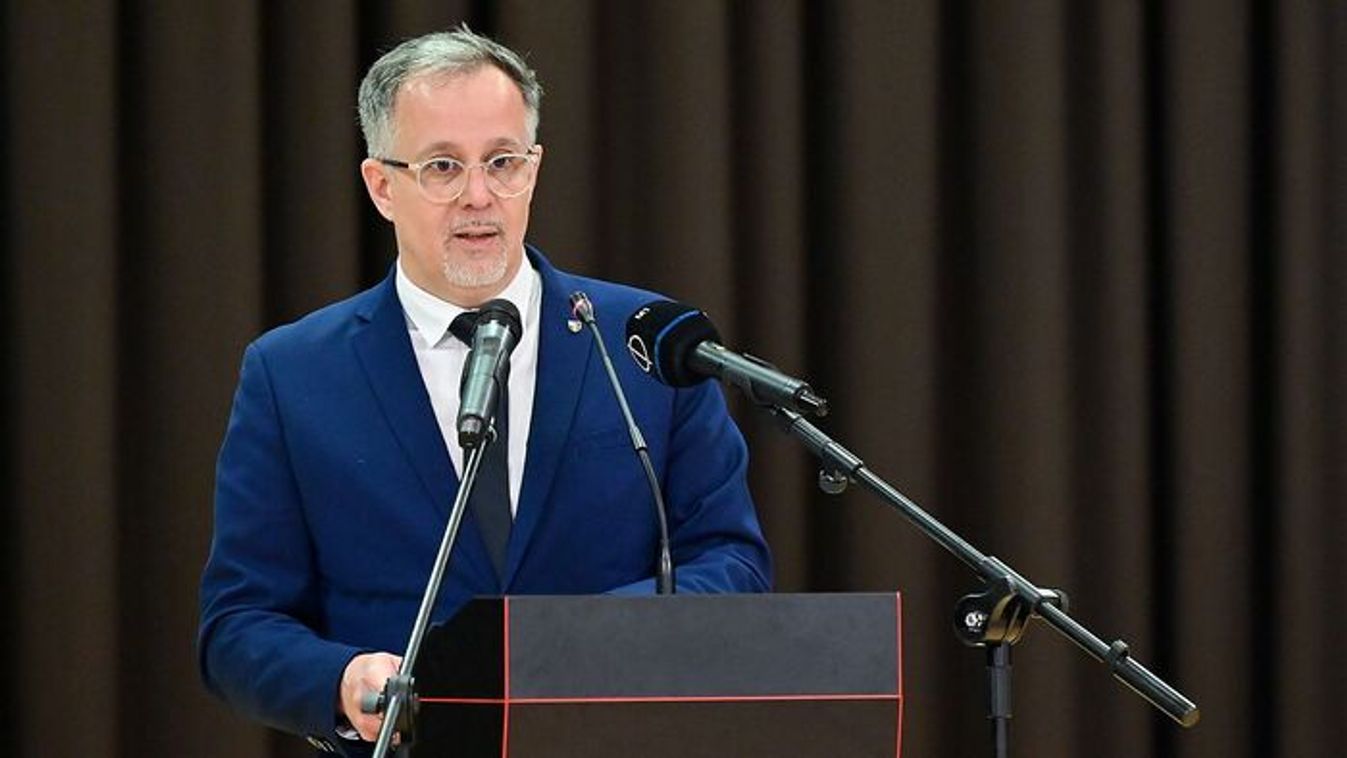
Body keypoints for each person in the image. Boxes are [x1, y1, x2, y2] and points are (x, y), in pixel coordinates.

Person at [197, 26, 772, 755]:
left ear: (534, 168)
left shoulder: (648, 343)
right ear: (381, 185)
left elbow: (732, 562)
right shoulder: (292, 373)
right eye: (442, 166)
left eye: (502, 163)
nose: (479, 196)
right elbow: (238, 625)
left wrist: (585, 640)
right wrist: (341, 681)